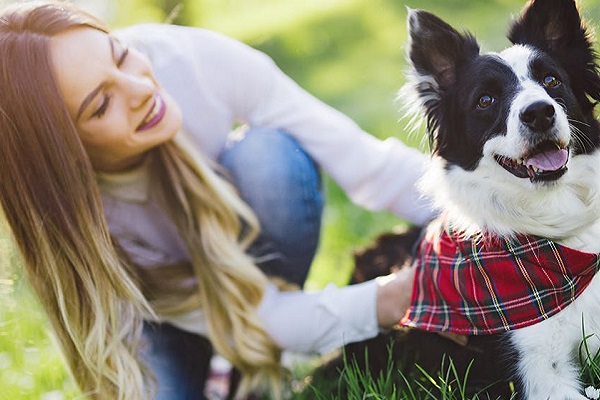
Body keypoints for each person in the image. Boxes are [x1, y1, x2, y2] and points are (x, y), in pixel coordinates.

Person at [0, 1, 433, 399]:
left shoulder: (186, 60)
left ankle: (265, 359)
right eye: (101, 105)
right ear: (66, 155)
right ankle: (243, 364)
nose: (139, 88)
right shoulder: (79, 221)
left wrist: (485, 212)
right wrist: (387, 299)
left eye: (120, 54)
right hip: (158, 322)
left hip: (241, 273)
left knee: (270, 160)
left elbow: (369, 165)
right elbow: (249, 319)